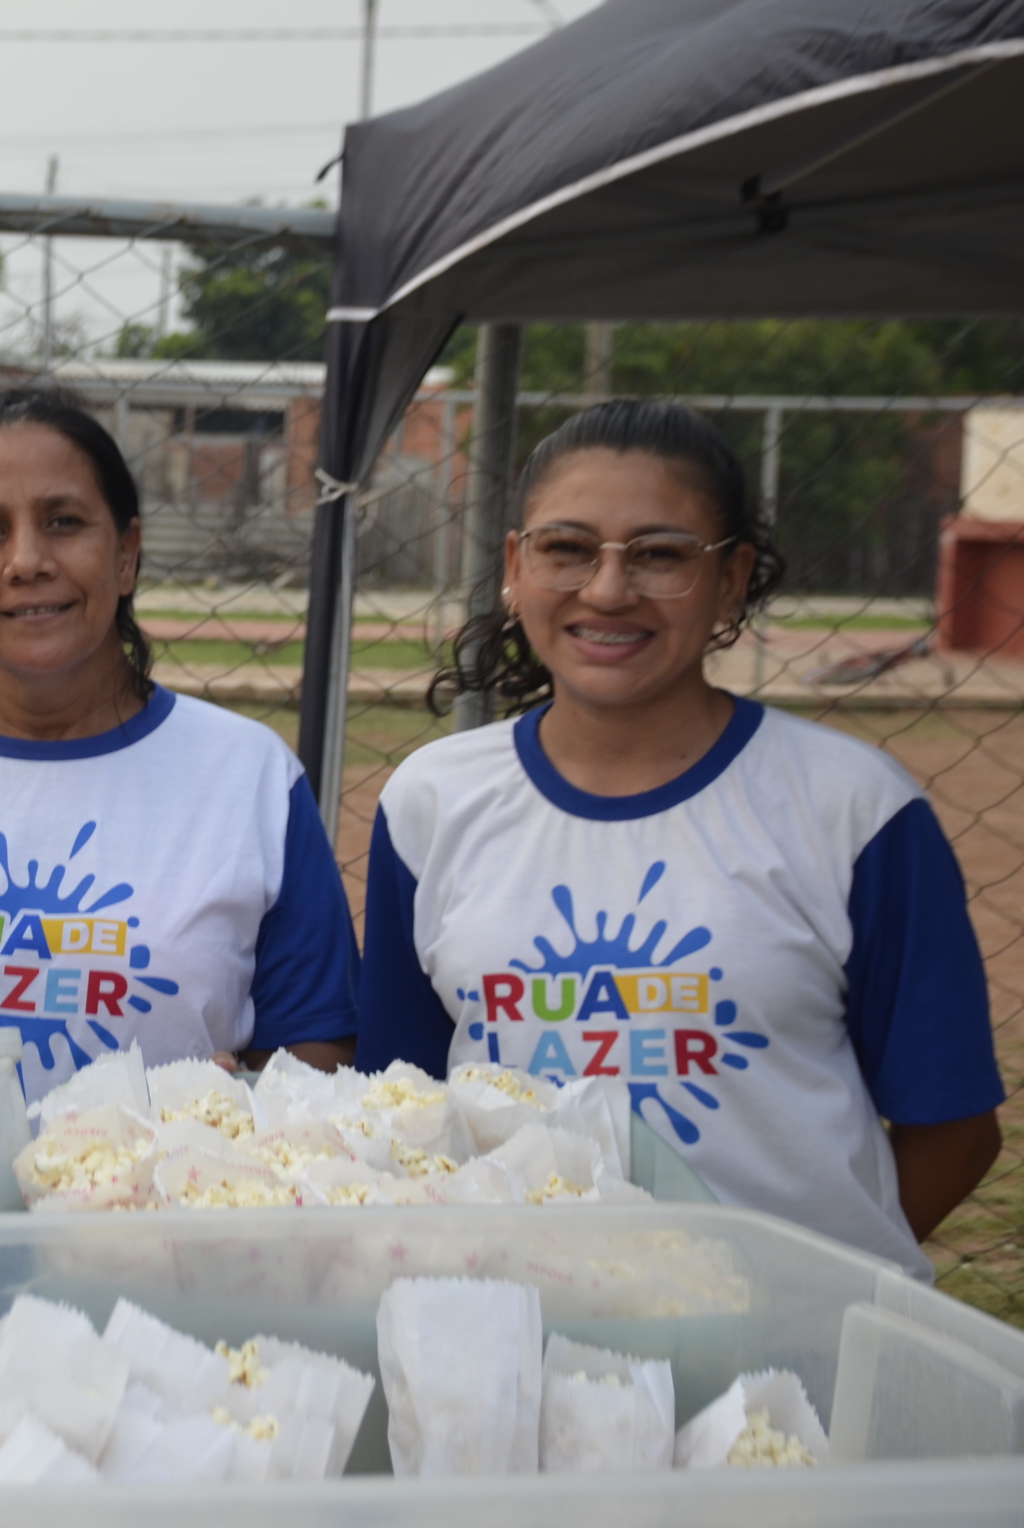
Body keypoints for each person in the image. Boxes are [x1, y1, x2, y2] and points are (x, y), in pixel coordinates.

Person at [357, 399, 1004, 1277]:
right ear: (515, 565)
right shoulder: (434, 802)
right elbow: (404, 1104)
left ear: (733, 579)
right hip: (514, 1321)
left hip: (782, 1351)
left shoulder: (854, 811)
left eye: (661, 554)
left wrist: (796, 1288)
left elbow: (955, 1132)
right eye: (567, 548)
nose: (608, 589)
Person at [0, 388, 359, 1105]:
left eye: (64, 522)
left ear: (127, 553)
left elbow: (317, 1046)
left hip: (158, 1211)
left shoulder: (249, 776)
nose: (27, 560)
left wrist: (249, 1099)